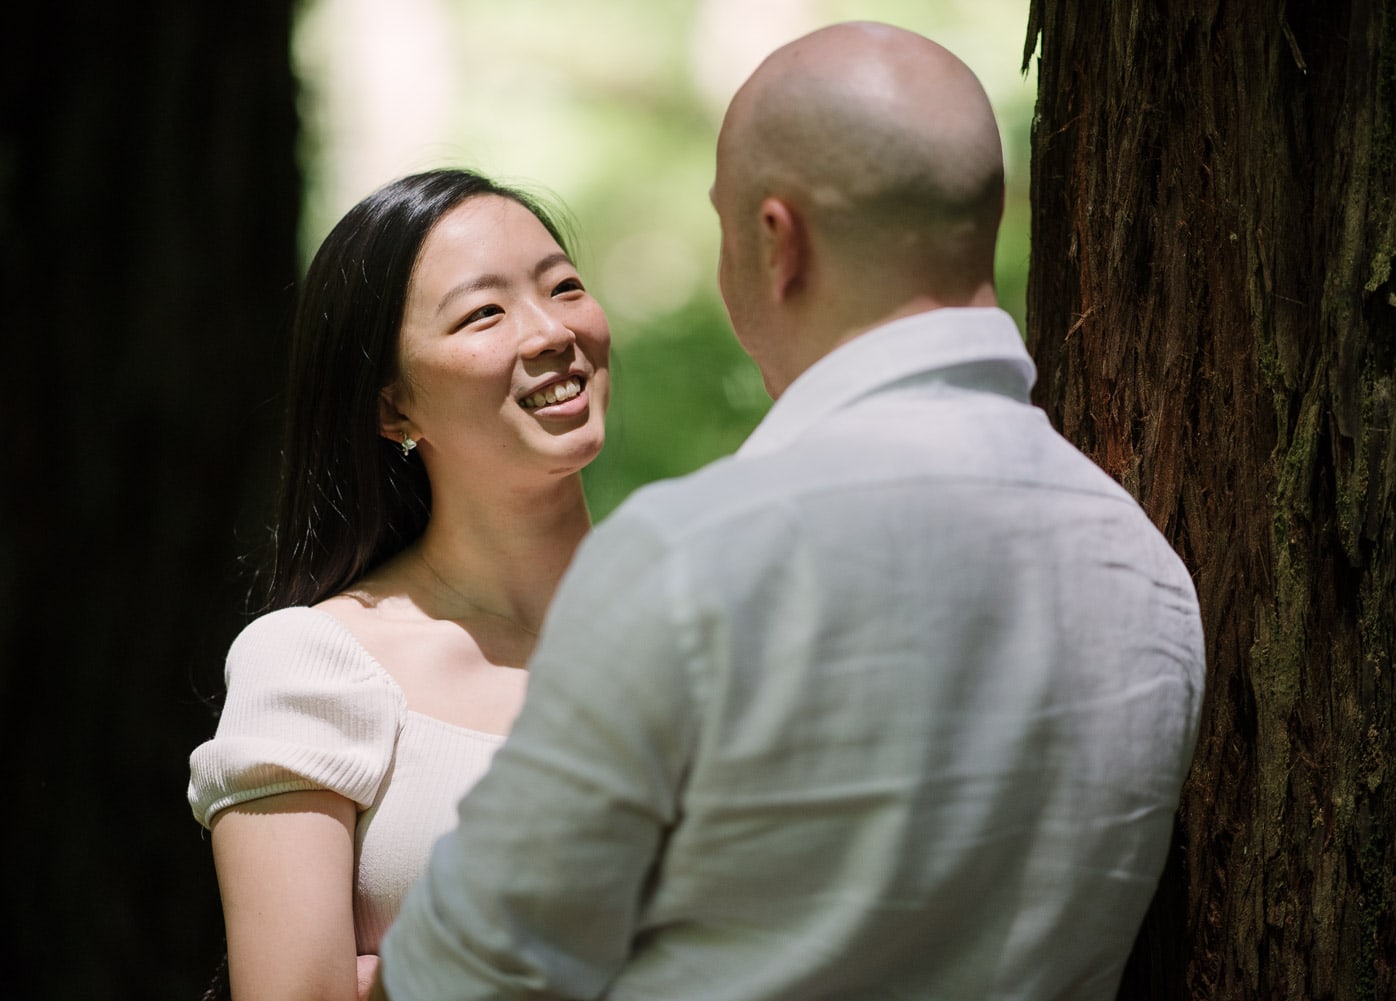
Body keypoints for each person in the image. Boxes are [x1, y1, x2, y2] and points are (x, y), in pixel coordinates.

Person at [375, 21, 1205, 1001]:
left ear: (778, 241)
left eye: (725, 226)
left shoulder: (695, 559)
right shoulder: (1147, 573)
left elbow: (465, 971)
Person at [187, 167, 611, 1001]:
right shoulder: (316, 665)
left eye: (563, 287)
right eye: (484, 312)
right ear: (393, 409)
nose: (549, 331)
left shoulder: (712, 624)